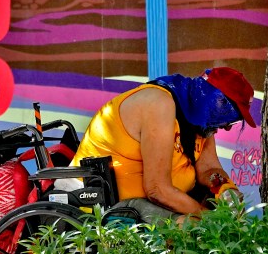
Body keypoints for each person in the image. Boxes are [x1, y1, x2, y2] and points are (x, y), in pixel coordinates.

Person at [70, 67, 255, 222]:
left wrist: (226, 189)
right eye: (230, 121)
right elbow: (157, 190)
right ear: (217, 103)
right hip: (109, 206)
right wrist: (208, 220)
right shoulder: (159, 104)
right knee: (199, 232)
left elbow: (208, 168)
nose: (227, 128)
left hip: (146, 203)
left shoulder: (199, 118)